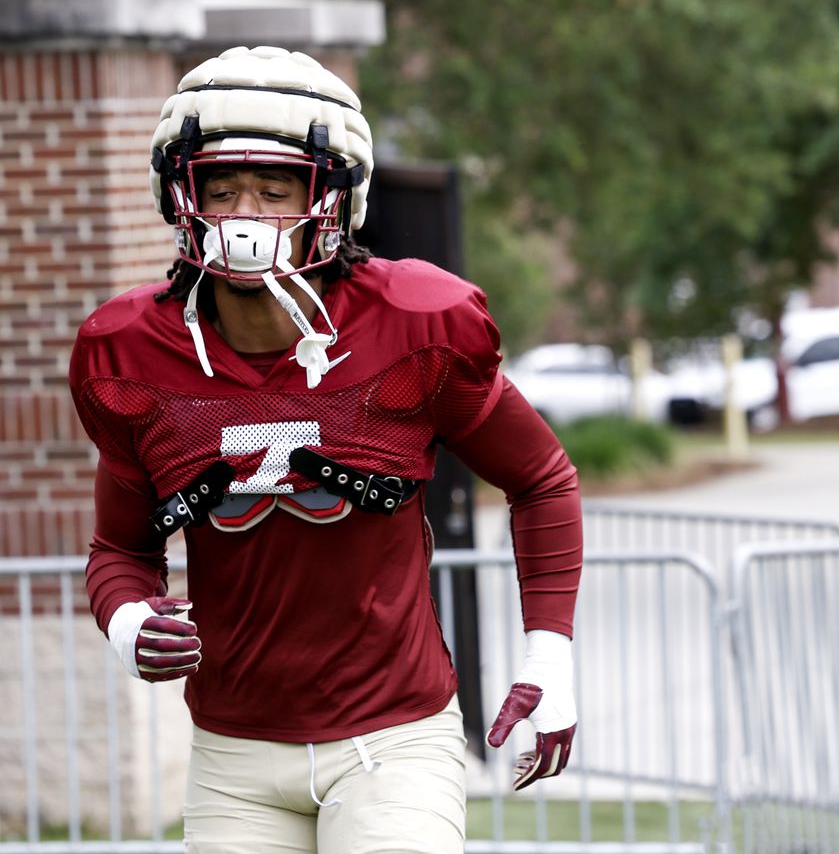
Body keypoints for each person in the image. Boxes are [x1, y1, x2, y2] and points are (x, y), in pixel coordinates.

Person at [69, 46, 582, 854]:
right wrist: (128, 617)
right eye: (222, 186)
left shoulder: (417, 323)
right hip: (233, 752)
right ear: (182, 194)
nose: (244, 213)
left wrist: (550, 651)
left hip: (393, 737)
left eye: (276, 189)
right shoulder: (132, 349)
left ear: (335, 200)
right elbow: (118, 547)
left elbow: (543, 478)